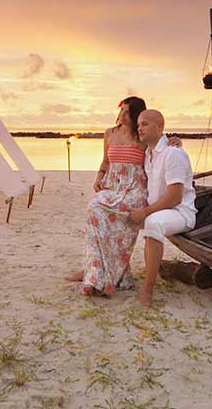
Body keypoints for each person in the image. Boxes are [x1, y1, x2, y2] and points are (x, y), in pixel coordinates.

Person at [67, 98, 183, 296]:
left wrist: (176, 141)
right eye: (121, 110)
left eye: (127, 112)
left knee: (119, 221)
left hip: (135, 190)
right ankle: (94, 269)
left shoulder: (141, 136)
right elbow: (105, 161)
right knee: (94, 208)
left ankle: (96, 273)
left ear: (136, 115)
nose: (121, 115)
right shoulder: (109, 134)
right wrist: (99, 176)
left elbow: (161, 145)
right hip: (112, 187)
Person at [128, 109, 197, 308]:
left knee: (153, 223)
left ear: (160, 127)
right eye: (139, 124)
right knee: (117, 216)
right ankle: (105, 270)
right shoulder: (148, 153)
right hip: (158, 208)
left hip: (180, 212)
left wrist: (145, 212)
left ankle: (148, 289)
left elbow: (175, 197)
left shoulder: (173, 154)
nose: (140, 128)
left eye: (145, 124)